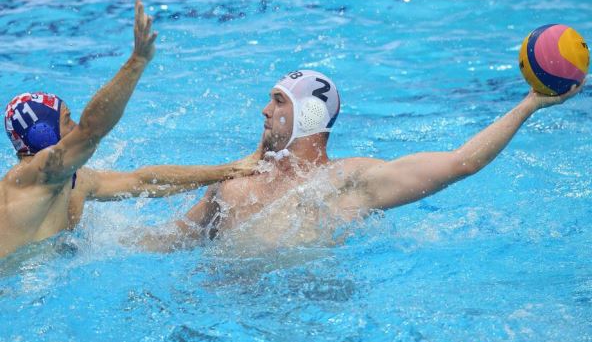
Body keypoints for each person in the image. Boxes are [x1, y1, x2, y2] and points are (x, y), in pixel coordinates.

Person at [142, 69, 582, 252]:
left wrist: (529, 104)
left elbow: (461, 163)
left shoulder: (349, 181)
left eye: (278, 101)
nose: (264, 110)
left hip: (304, 326)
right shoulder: (232, 183)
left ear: (310, 114)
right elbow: (164, 241)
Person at [0, 0, 257, 258]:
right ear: (42, 134)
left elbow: (142, 181)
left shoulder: (74, 178)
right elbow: (91, 130)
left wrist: (229, 170)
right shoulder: (33, 176)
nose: (75, 126)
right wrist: (137, 61)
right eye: (67, 120)